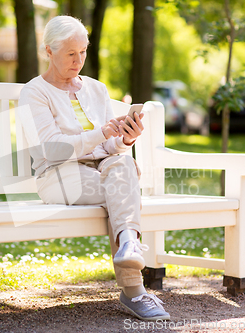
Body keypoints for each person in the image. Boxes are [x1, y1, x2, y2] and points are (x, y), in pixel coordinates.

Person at [18, 15, 170, 321]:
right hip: (58, 174)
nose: (78, 60)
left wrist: (124, 139)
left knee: (123, 162)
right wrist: (102, 132)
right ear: (49, 51)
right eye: (70, 54)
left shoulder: (96, 89)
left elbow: (107, 149)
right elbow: (54, 149)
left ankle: (128, 245)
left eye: (83, 52)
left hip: (103, 167)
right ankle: (134, 286)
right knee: (123, 185)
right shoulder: (34, 92)